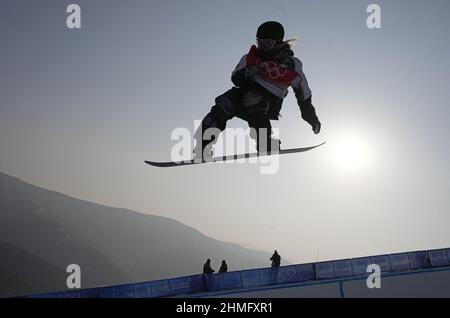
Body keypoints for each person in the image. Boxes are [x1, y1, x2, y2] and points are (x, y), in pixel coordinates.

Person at [193, 21, 321, 159]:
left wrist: (311, 118)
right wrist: (247, 72)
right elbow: (235, 78)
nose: (263, 48)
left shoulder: (291, 64)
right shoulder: (250, 58)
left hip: (269, 101)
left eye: (268, 44)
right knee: (225, 102)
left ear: (278, 42)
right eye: (260, 43)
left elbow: (303, 94)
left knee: (254, 99)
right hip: (245, 92)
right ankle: (203, 145)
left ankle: (265, 143)